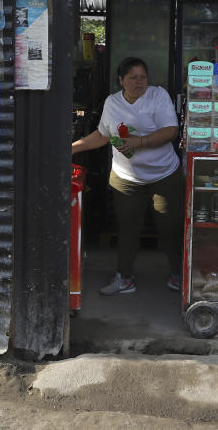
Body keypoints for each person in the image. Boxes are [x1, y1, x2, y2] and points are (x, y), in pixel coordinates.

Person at [72, 57, 182, 295]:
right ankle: (124, 278)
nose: (139, 82)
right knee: (127, 230)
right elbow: (102, 135)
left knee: (170, 228)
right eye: (133, 77)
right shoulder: (112, 102)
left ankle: (179, 276)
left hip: (164, 175)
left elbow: (171, 131)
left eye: (143, 76)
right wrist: (72, 147)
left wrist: (139, 142)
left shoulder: (158, 96)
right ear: (121, 80)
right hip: (126, 179)